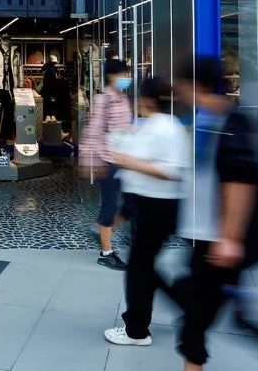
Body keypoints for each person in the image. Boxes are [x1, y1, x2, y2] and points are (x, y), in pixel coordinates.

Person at [171, 55, 258, 371]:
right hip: (205, 235)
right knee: (230, 313)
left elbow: (240, 182)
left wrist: (230, 237)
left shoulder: (229, 124)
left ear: (194, 85)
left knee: (195, 322)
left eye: (181, 85)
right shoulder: (208, 119)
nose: (178, 91)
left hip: (216, 240)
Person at [103, 76, 190, 347]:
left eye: (139, 97)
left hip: (158, 207)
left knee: (139, 269)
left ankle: (137, 330)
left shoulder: (167, 128)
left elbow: (170, 171)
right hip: (147, 205)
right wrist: (125, 211)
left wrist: (129, 162)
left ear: (149, 100)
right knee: (144, 266)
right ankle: (186, 306)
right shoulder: (151, 125)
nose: (136, 102)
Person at [80, 58, 136, 270]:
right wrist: (91, 161)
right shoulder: (103, 99)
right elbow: (93, 131)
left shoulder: (122, 98)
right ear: (112, 76)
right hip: (108, 161)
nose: (126, 78)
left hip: (125, 160)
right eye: (123, 74)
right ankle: (105, 253)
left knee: (130, 203)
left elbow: (126, 127)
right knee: (110, 206)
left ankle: (102, 230)